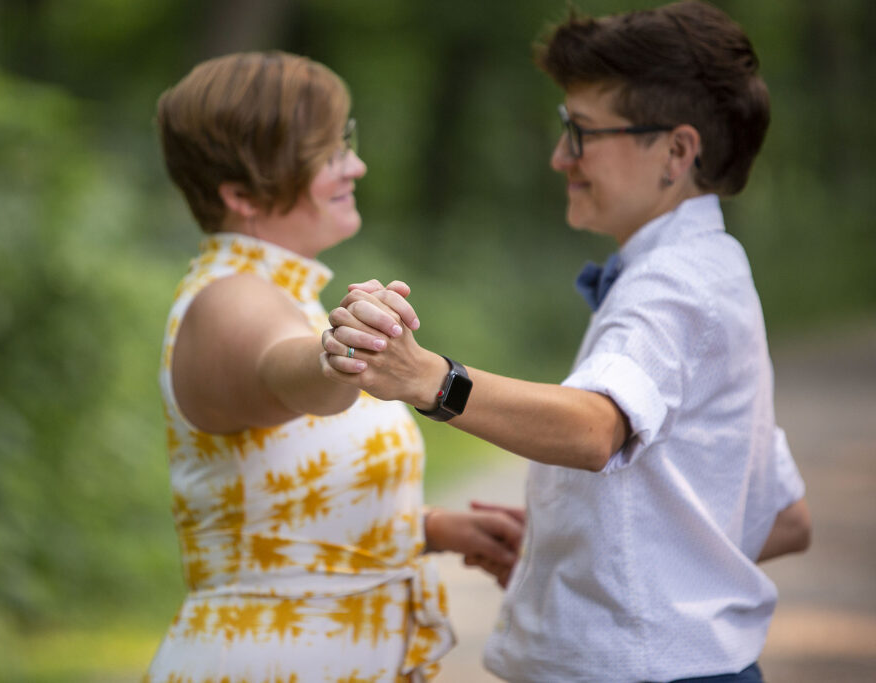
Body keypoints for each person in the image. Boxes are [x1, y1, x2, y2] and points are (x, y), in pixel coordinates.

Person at [320, 2, 811, 681]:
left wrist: (429, 378)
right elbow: (786, 516)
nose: (560, 158)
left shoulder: (673, 285)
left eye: (580, 134)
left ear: (676, 151)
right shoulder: (709, 271)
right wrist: (589, 541)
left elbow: (592, 431)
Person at [146, 51, 522, 683]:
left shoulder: (282, 294)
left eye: (344, 141)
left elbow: (280, 512)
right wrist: (337, 357)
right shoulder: (227, 300)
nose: (357, 164)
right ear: (240, 194)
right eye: (327, 153)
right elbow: (288, 372)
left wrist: (429, 530)